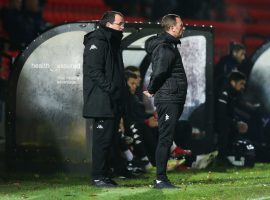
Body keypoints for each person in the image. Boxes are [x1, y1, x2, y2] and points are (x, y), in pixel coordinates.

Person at [143, 14, 187, 189]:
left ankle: (161, 178)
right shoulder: (165, 47)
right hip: (168, 98)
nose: (184, 27)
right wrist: (152, 89)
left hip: (172, 97)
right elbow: (160, 71)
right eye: (181, 25)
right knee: (165, 139)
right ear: (171, 28)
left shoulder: (168, 45)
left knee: (167, 138)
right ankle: (160, 179)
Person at [82, 11, 126, 187]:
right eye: (120, 24)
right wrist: (111, 89)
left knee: (109, 139)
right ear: (108, 24)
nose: (123, 27)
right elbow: (94, 71)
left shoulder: (112, 42)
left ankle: (105, 175)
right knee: (102, 140)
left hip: (111, 99)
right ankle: (98, 176)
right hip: (102, 100)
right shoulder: (97, 41)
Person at [216, 71, 249, 163]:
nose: (243, 86)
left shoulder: (233, 94)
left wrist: (238, 122)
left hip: (226, 120)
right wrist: (235, 123)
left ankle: (231, 154)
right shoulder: (224, 93)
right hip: (215, 122)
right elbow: (221, 114)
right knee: (225, 126)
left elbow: (231, 113)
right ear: (233, 82)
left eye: (244, 84)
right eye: (241, 83)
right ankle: (221, 157)